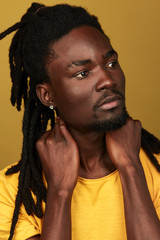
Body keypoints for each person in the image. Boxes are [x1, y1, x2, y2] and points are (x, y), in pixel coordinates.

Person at [0, 2, 160, 240]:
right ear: (47, 95)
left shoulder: (154, 169)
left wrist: (131, 167)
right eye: (83, 73)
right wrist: (60, 192)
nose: (107, 80)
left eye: (111, 64)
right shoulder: (12, 192)